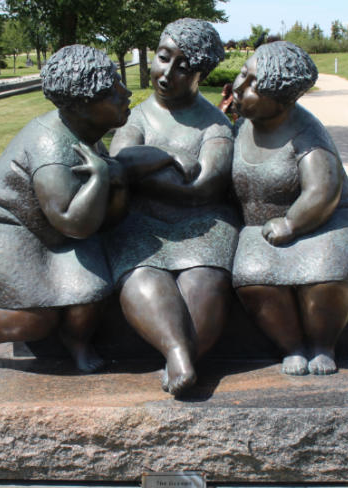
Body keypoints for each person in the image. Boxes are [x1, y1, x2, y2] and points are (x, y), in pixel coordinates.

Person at [0, 45, 174, 373]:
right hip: (2, 231)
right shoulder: (51, 147)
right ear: (82, 105)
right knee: (35, 315)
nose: (125, 92)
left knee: (90, 289)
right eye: (112, 91)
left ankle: (76, 341)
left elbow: (105, 220)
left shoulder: (84, 133)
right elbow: (74, 222)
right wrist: (102, 176)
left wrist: (116, 181)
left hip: (53, 233)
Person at [106, 18, 239, 395]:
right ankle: (178, 353)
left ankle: (185, 357)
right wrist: (169, 153)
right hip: (141, 222)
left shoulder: (214, 124)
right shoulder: (138, 116)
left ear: (201, 74)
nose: (167, 73)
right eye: (164, 58)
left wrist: (146, 169)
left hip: (204, 224)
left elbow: (204, 186)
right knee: (142, 276)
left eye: (184, 67)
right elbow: (120, 163)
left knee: (206, 281)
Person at [231, 41, 348, 376]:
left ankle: (323, 345)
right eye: (243, 73)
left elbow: (323, 191)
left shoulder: (306, 134)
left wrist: (292, 224)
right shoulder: (241, 128)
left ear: (281, 101)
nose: (239, 87)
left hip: (325, 223)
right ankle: (291, 346)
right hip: (262, 230)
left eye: (252, 86)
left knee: (324, 278)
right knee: (253, 279)